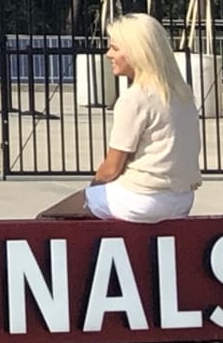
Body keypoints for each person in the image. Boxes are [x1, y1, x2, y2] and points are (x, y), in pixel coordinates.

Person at [40, 13, 203, 222]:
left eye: (115, 48)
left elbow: (111, 168)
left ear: (138, 53)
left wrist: (92, 192)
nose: (108, 54)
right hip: (182, 199)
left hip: (140, 199)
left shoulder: (134, 98)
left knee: (47, 219)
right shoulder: (183, 93)